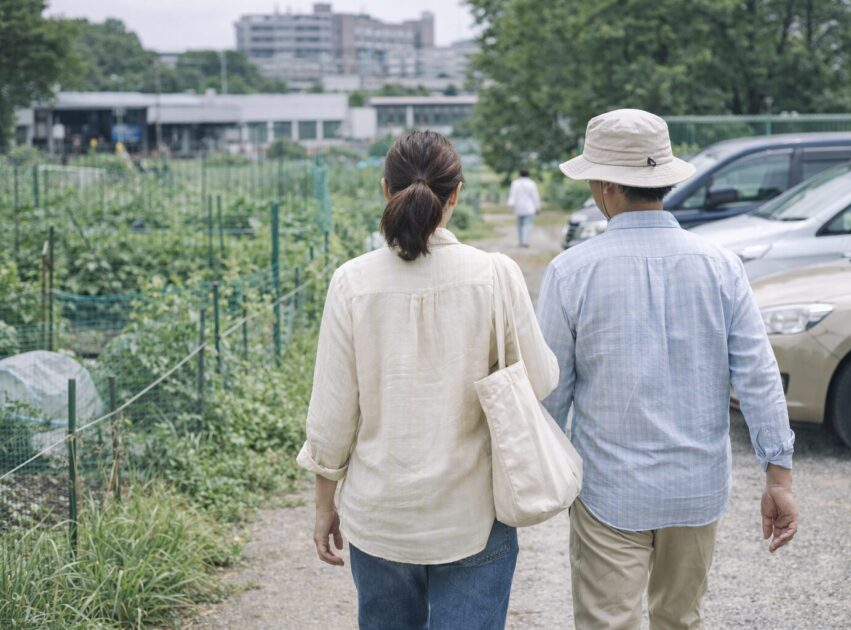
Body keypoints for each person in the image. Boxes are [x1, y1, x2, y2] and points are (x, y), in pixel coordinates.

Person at [536, 109, 798, 630]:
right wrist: (779, 475)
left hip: (608, 487)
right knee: (680, 619)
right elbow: (758, 376)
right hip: (696, 486)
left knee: (607, 622)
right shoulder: (720, 266)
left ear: (606, 185)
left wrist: (541, 477)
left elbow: (550, 392)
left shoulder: (571, 271)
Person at [298, 130, 559, 629]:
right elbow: (542, 379)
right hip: (473, 513)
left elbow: (331, 416)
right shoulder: (496, 274)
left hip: (380, 516)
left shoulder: (351, 281)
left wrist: (324, 505)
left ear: (385, 189)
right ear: (456, 193)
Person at [507, 167, 542, 247]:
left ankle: (521, 242)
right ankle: (526, 242)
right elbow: (535, 196)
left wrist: (511, 205)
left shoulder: (515, 183)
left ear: (519, 174)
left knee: (520, 225)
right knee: (527, 225)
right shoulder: (532, 183)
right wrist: (537, 207)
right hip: (529, 208)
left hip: (519, 207)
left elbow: (513, 195)